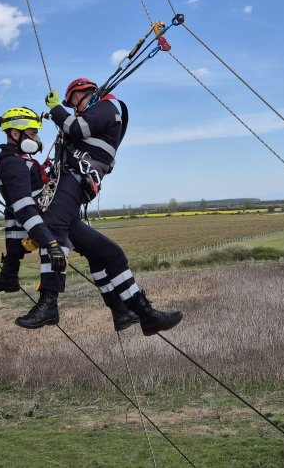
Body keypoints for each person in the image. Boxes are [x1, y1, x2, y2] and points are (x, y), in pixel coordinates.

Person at [14, 78, 184, 336]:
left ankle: (141, 314)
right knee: (78, 239)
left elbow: (76, 128)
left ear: (86, 93)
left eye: (74, 103)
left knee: (104, 251)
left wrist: (57, 108)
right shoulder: (96, 111)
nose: (74, 109)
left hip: (75, 178)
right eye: (70, 106)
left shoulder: (107, 106)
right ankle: (117, 311)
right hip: (70, 181)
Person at [0, 107, 67, 294]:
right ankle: (42, 297)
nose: (37, 139)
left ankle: (9, 275)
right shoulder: (13, 163)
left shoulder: (17, 160)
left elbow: (17, 210)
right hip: (52, 221)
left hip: (44, 217)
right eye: (33, 133)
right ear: (16, 134)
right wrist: (50, 243)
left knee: (13, 216)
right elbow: (25, 208)